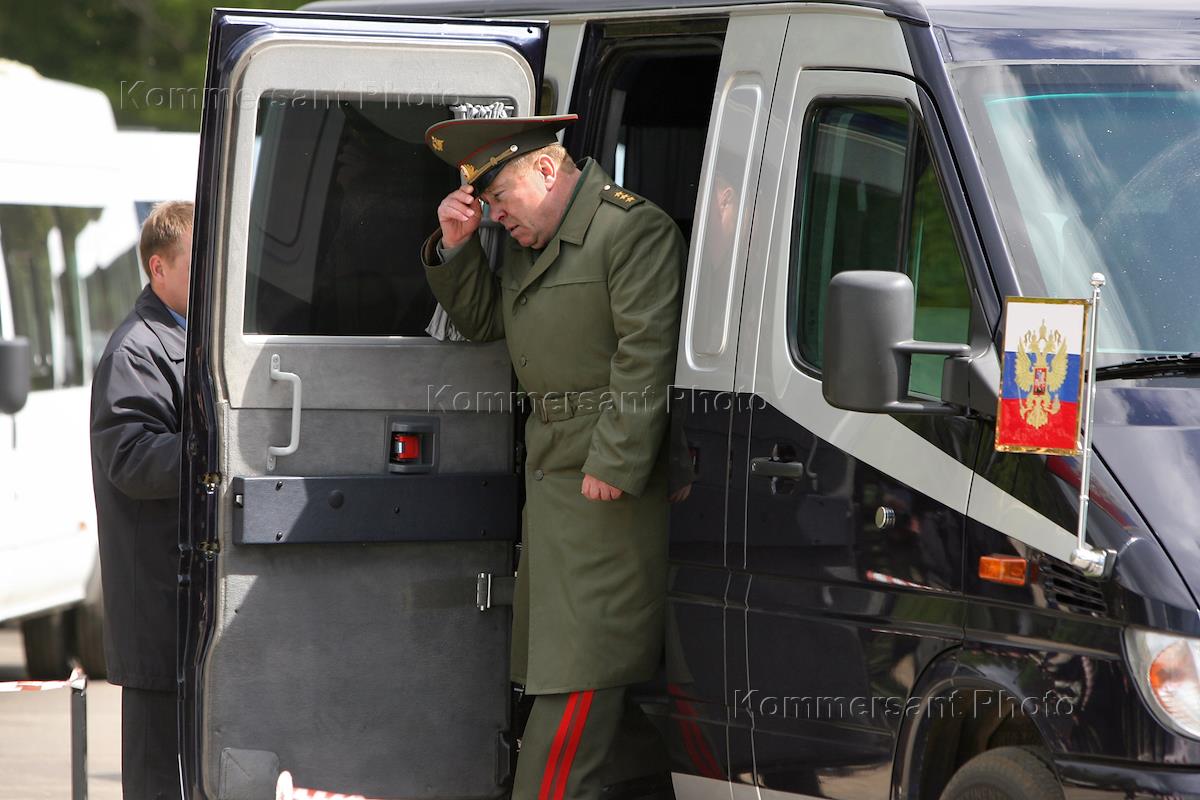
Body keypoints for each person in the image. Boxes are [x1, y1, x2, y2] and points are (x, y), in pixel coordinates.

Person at [421, 115, 685, 800]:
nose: (495, 215)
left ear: (545, 169)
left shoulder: (631, 229)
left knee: (578, 677)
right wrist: (457, 246)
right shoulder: (527, 240)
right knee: (570, 671)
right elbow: (487, 323)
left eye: (499, 197)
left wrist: (616, 462)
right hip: (553, 481)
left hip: (602, 487)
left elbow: (645, 355)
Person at [90, 200, 193, 800]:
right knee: (157, 782)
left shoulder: (186, 338)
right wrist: (215, 449)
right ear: (159, 268)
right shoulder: (135, 350)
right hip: (159, 615)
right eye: (198, 263)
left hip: (183, 612)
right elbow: (131, 459)